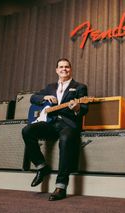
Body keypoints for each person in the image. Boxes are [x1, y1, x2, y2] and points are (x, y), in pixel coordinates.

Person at [22, 58, 88, 201]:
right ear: (57, 70)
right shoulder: (50, 86)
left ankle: (61, 186)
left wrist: (77, 107)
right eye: (61, 67)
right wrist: (45, 97)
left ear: (71, 69)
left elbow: (84, 108)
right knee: (27, 130)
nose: (64, 69)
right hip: (50, 123)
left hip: (68, 124)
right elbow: (33, 98)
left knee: (65, 140)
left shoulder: (79, 87)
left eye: (67, 67)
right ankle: (41, 166)